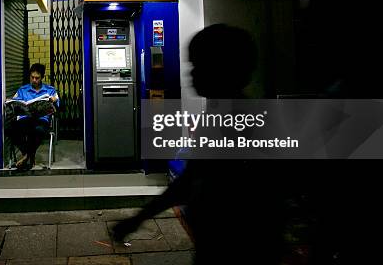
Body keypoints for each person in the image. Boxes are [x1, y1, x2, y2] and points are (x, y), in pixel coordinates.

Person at [112, 24, 284, 265]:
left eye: (198, 65)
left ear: (223, 67)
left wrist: (138, 218)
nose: (190, 73)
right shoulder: (222, 113)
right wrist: (138, 219)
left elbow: (193, 179)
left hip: (233, 248)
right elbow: (192, 177)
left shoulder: (235, 120)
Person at [6, 63, 59, 170]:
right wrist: (10, 102)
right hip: (25, 119)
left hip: (41, 120)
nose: (34, 80)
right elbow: (15, 103)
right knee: (9, 129)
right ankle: (28, 155)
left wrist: (54, 100)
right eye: (32, 77)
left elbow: (57, 106)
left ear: (42, 77)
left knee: (37, 130)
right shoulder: (22, 90)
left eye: (37, 78)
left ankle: (27, 157)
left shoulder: (50, 90)